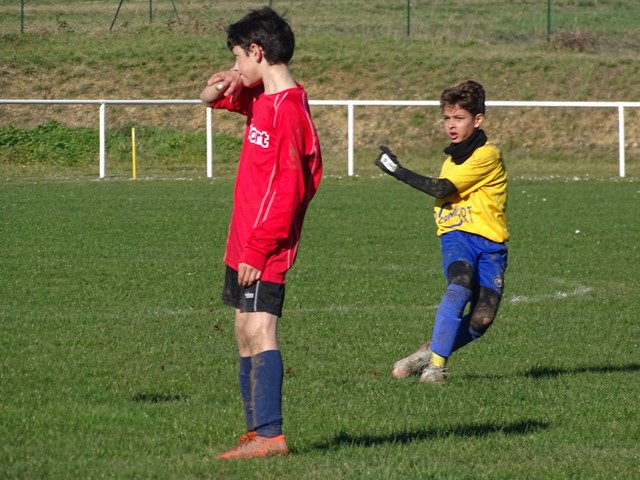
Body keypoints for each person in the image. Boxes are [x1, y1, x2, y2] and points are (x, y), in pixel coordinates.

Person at [200, 7, 322, 459]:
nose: (235, 65)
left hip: (264, 245)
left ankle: (271, 436)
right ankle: (256, 433)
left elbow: (289, 190)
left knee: (260, 328)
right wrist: (226, 80)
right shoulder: (261, 98)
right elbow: (207, 100)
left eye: (237, 57)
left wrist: (257, 248)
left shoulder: (288, 109)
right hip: (244, 240)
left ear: (257, 51)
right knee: (243, 329)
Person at [375, 80, 508, 385]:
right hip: (457, 235)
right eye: (447, 118)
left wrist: (398, 171)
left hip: (491, 244)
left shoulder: (488, 155)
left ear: (478, 119)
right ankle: (436, 368)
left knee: (482, 319)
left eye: (459, 118)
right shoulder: (451, 159)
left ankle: (426, 353)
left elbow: (442, 188)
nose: (451, 125)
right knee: (460, 284)